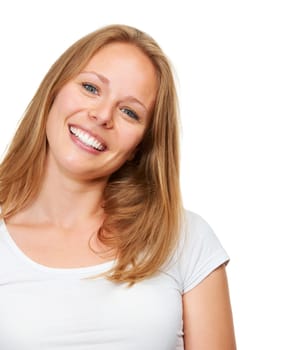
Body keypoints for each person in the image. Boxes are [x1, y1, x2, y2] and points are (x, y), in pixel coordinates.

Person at [0, 24, 236, 349]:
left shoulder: (186, 239)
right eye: (91, 88)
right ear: (54, 90)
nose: (101, 115)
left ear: (141, 145)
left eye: (129, 112)